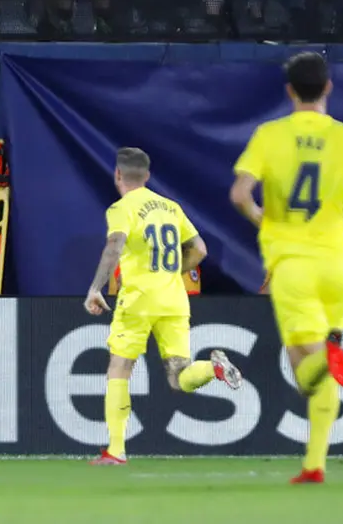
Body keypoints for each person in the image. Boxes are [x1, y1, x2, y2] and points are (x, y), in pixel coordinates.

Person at [230, 51, 343, 484]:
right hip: (341, 263)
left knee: (305, 365)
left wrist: (262, 217)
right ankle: (314, 464)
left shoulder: (270, 135)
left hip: (294, 265)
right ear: (329, 87)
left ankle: (331, 358)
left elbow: (240, 194)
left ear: (289, 91)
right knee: (314, 375)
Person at [84, 147, 243, 466]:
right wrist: (172, 272)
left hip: (139, 298)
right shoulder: (171, 207)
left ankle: (115, 450)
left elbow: (114, 245)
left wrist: (95, 287)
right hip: (174, 298)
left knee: (120, 367)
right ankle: (212, 369)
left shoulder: (121, 208)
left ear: (118, 175)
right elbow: (199, 249)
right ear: (147, 176)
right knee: (180, 376)